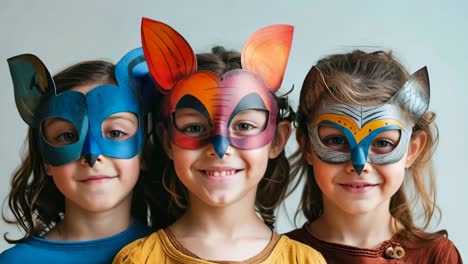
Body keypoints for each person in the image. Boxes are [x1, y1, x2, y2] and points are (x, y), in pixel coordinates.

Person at [112, 18, 325, 263]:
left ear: (277, 139)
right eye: (194, 127)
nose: (220, 148)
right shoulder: (139, 259)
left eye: (244, 126)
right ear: (167, 141)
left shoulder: (304, 260)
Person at [286, 50, 463, 263]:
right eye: (336, 140)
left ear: (412, 150)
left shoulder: (437, 257)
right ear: (307, 145)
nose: (359, 165)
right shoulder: (281, 257)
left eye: (382, 143)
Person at [0, 48, 158, 263]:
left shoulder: (173, 254)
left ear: (144, 151)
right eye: (66, 136)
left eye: (116, 133)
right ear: (46, 158)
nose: (92, 155)